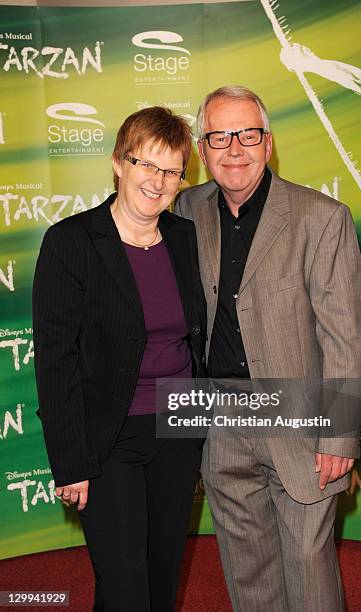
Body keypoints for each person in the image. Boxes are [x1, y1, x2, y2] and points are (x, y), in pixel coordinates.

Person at [175, 86, 361, 611]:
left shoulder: (321, 218)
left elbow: (346, 337)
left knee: (309, 570)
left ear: (268, 142)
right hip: (221, 424)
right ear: (202, 148)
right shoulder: (184, 211)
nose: (234, 148)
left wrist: (341, 436)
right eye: (219, 136)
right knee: (248, 573)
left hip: (303, 424)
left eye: (247, 134)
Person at [33, 106, 206, 612]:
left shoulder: (184, 239)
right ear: (118, 163)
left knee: (159, 576)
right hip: (107, 440)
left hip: (178, 430)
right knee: (126, 582)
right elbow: (55, 360)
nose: (157, 181)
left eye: (171, 169)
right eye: (145, 164)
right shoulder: (71, 243)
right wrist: (70, 462)